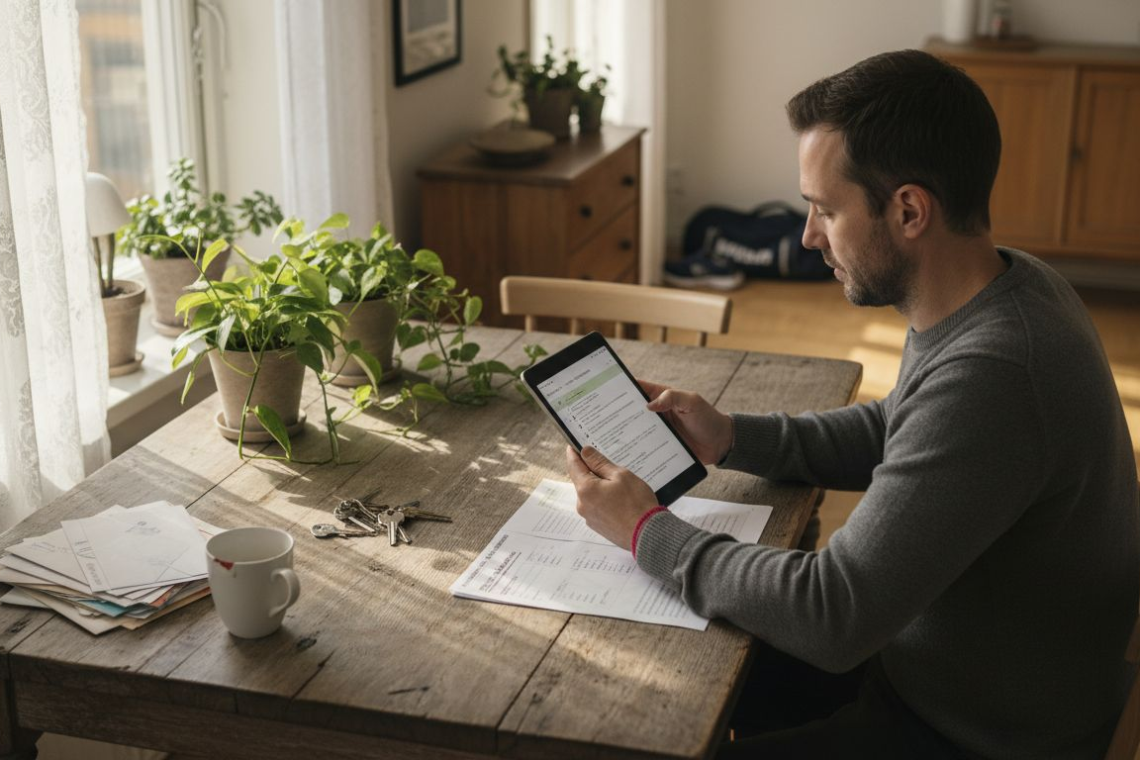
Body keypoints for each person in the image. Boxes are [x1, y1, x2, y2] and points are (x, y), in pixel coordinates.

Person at [565, 49, 1139, 758]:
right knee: (650, 680)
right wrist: (731, 436)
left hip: (968, 731)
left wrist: (646, 529)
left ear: (908, 211)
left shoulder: (998, 372)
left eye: (825, 210)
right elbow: (902, 421)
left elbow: (833, 613)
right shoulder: (1005, 286)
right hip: (933, 668)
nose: (808, 236)